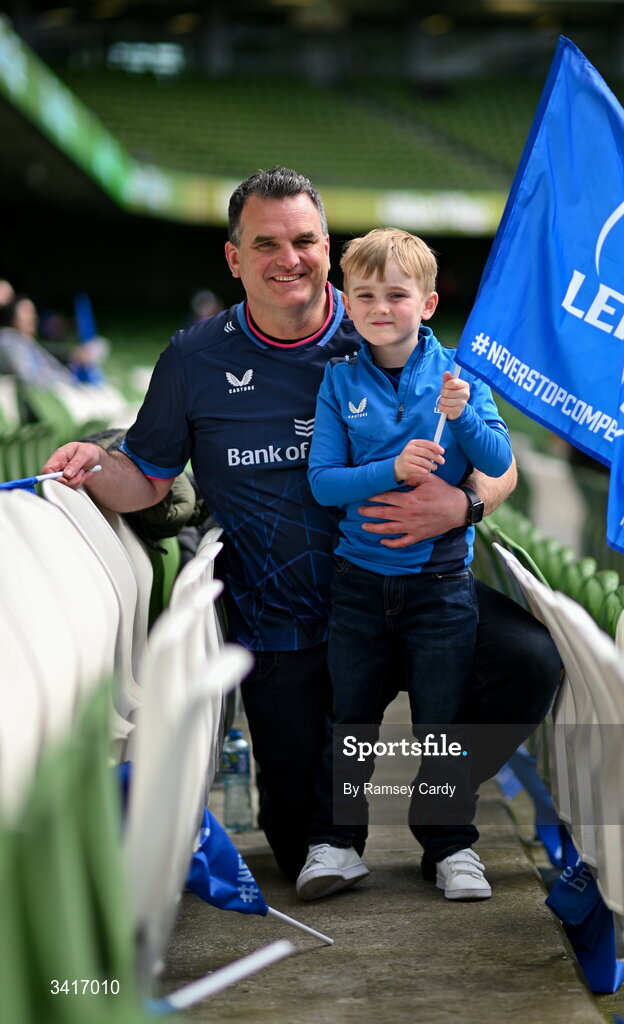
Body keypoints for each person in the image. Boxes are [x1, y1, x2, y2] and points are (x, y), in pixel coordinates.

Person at [41, 166, 561, 882]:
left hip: (410, 587)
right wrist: (93, 466)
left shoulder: (387, 313)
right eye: (267, 244)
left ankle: (437, 803)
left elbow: (496, 462)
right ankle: (335, 817)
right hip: (285, 620)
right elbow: (150, 476)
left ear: (327, 246)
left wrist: (466, 504)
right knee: (294, 848)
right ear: (234, 258)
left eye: (306, 240)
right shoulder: (195, 357)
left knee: (530, 660)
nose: (290, 258)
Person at [296, 228, 512, 902]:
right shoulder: (338, 382)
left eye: (397, 294)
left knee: (441, 721)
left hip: (440, 587)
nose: (380, 306)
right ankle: (336, 843)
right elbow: (324, 483)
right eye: (365, 294)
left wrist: (464, 419)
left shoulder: (457, 377)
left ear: (429, 303)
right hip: (359, 584)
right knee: (350, 718)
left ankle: (450, 847)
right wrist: (388, 469)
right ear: (347, 303)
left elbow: (498, 462)